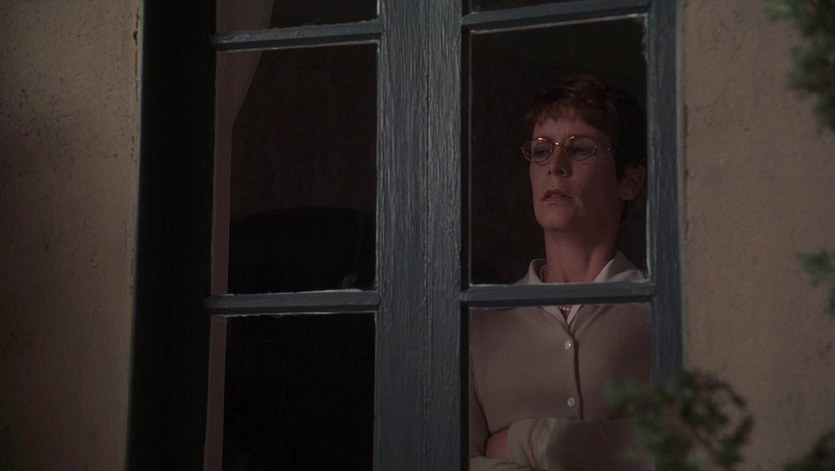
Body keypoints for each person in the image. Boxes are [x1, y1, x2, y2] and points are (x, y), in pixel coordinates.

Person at [469, 74, 650, 471]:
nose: (555, 166)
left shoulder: (660, 314)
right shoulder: (481, 321)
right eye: (541, 151)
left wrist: (532, 441)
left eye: (580, 149)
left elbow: (680, 445)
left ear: (629, 180)